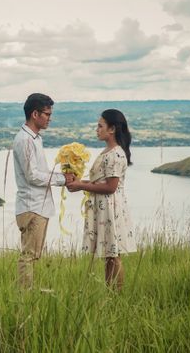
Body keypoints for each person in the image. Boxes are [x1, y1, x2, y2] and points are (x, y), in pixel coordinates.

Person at [66, 109, 137, 291]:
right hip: (104, 207)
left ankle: (116, 295)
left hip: (110, 208)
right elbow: (101, 182)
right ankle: (111, 294)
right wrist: (80, 182)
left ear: (112, 129)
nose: (96, 129)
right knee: (109, 254)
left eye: (100, 126)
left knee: (113, 255)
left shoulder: (115, 154)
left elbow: (110, 187)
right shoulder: (108, 151)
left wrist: (82, 186)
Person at [12, 93, 74, 290]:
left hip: (39, 205)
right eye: (47, 114)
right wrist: (62, 179)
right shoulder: (25, 140)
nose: (50, 118)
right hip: (32, 206)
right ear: (35, 114)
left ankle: (27, 292)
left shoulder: (35, 139)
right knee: (29, 256)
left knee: (34, 254)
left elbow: (39, 172)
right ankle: (24, 296)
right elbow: (32, 175)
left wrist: (63, 175)